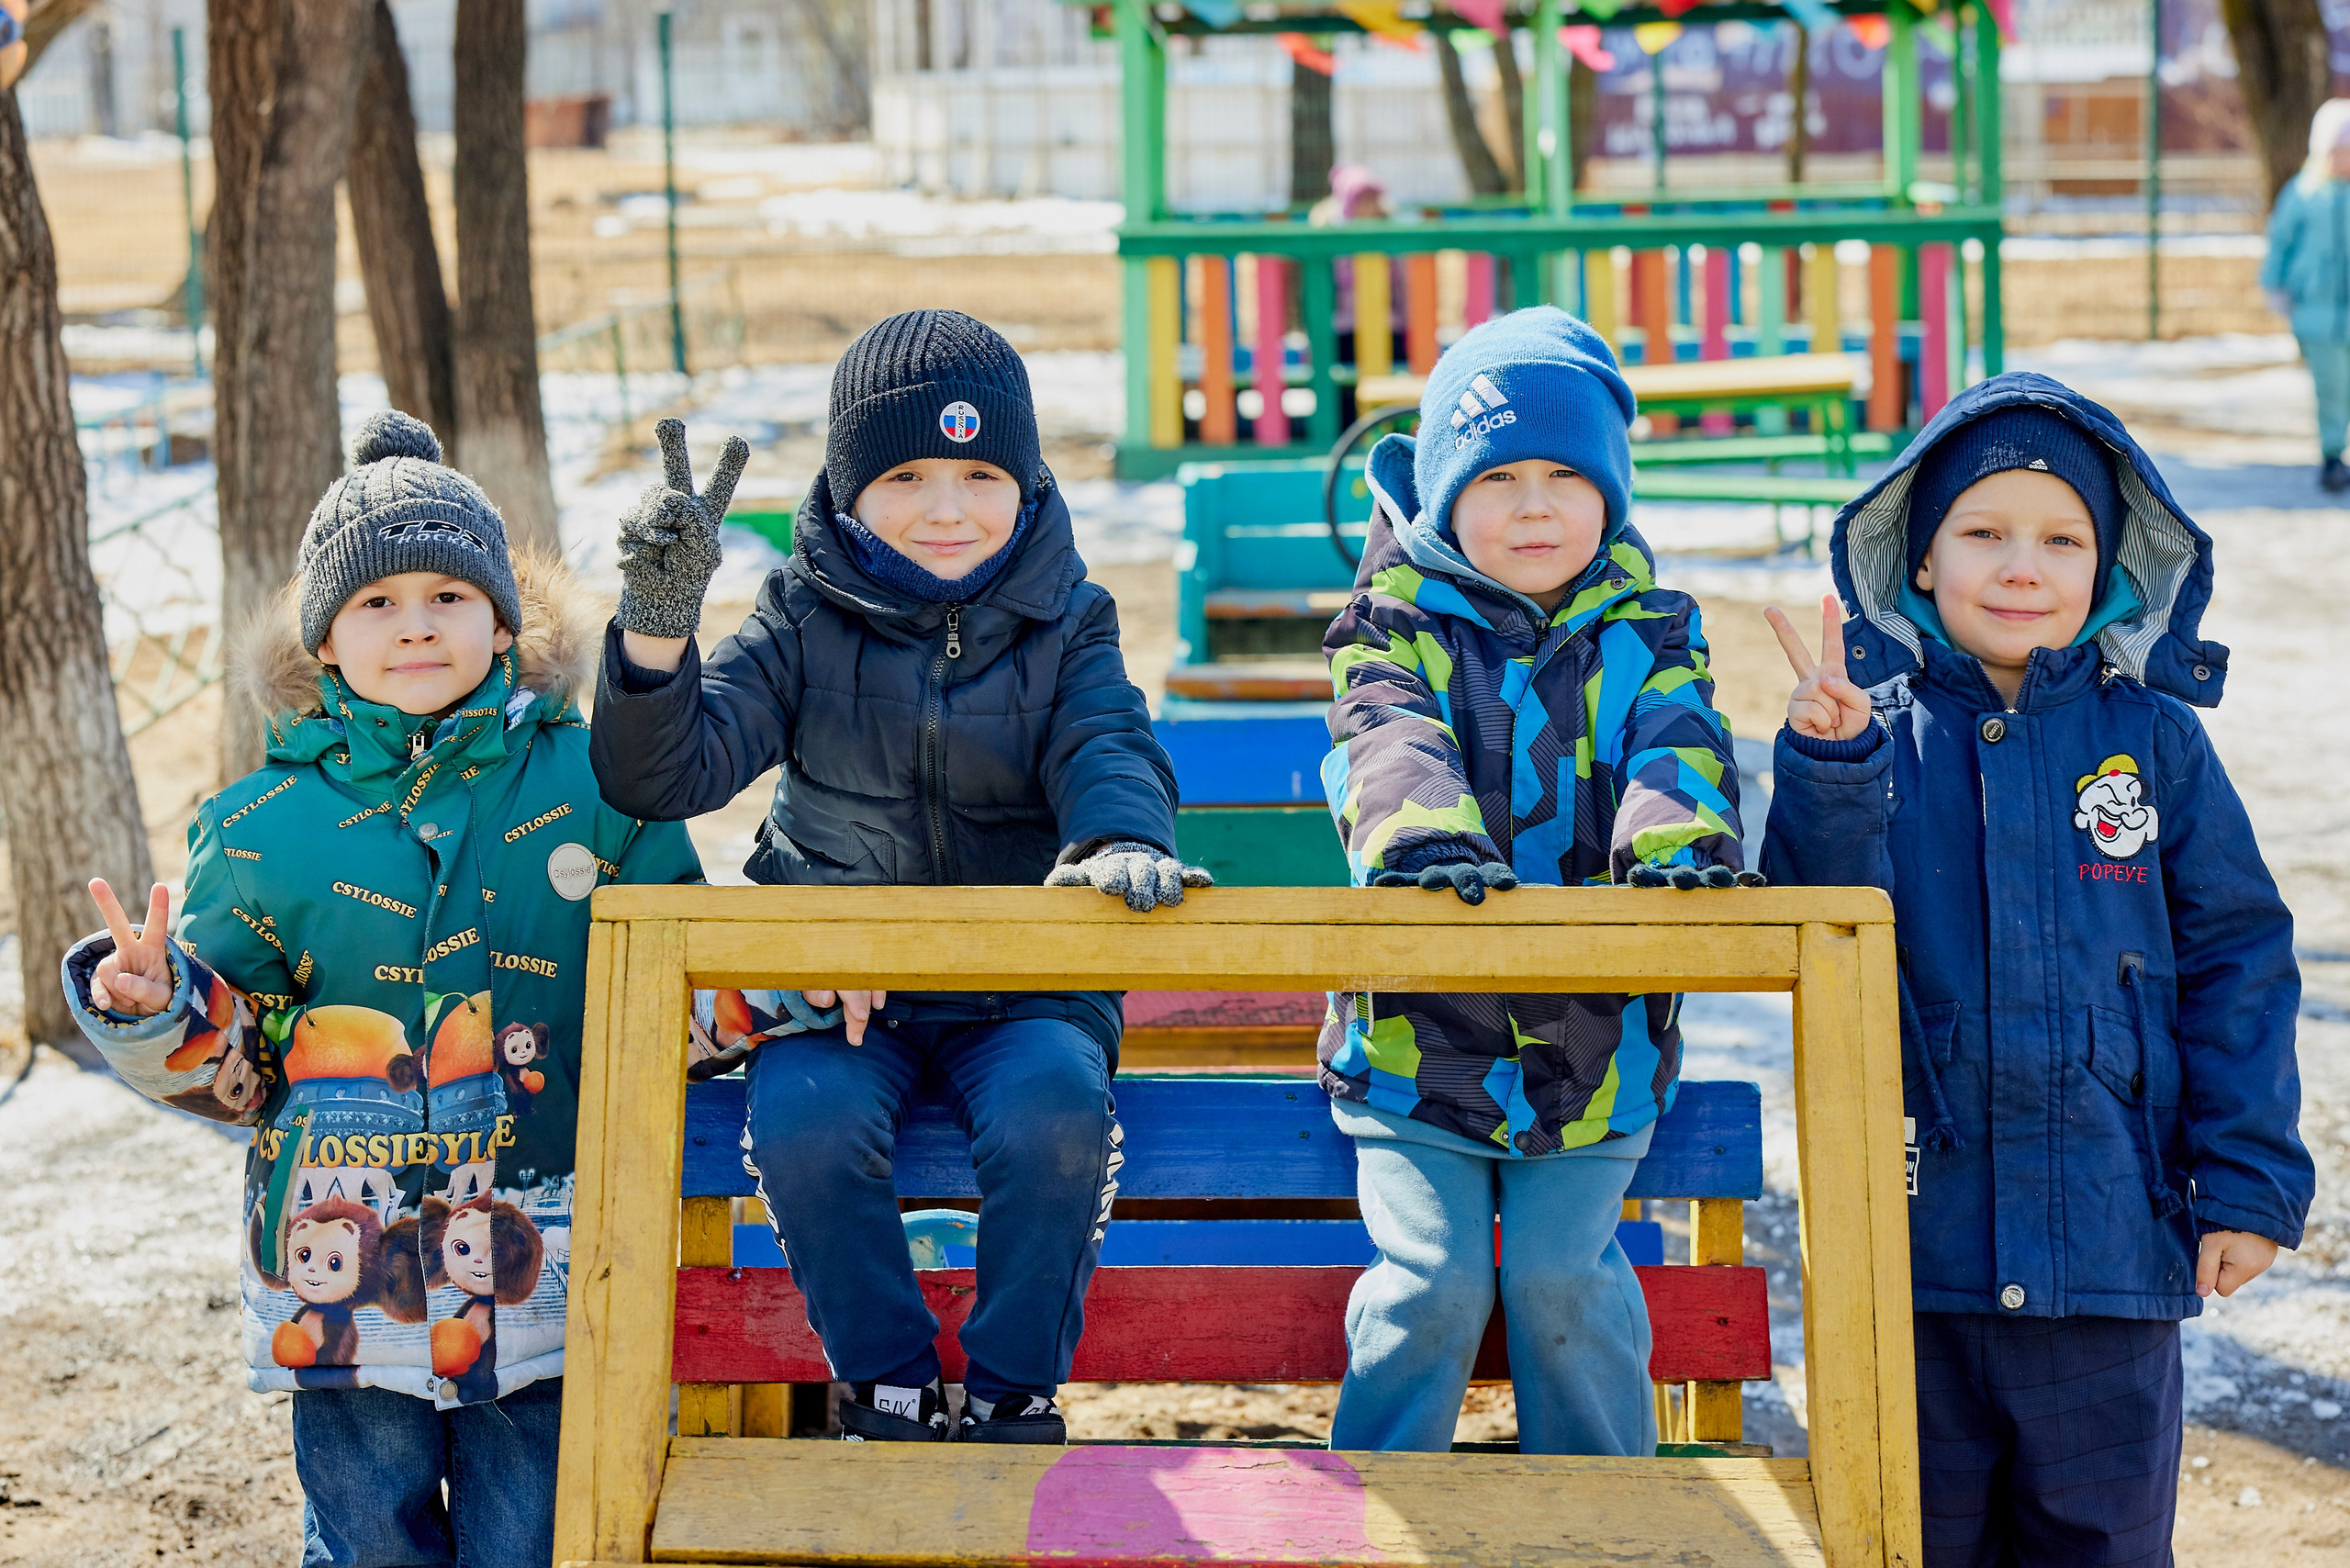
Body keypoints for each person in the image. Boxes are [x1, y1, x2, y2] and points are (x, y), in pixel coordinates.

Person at [61, 412, 705, 1568]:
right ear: (324, 639)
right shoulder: (263, 828)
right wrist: (155, 1000)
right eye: (376, 603)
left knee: (538, 1539)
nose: (415, 625)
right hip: (343, 1281)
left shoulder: (595, 783)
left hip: (550, 1258)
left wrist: (789, 991)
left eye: (449, 598)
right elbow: (238, 1067)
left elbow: (679, 978)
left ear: (503, 618)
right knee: (368, 1540)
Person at [588, 309, 1207, 1444]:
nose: (947, 508)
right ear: (846, 487)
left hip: (1021, 981)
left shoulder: (1067, 619)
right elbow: (670, 771)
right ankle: (882, 1375)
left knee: (1052, 1115)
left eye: (981, 473)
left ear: (1023, 482)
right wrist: (655, 635)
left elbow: (1106, 741)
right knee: (807, 1123)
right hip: (838, 991)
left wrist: (1119, 840)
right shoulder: (802, 617)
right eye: (907, 475)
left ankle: (1014, 1381)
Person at [1761, 375, 2314, 1567]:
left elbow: (2238, 961)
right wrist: (1827, 768)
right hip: (1916, 1260)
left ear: (2110, 571)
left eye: (2062, 538)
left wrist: (2248, 1180)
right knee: (1912, 1542)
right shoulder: (1871, 736)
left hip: (2111, 1255)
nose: (2023, 565)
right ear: (1916, 561)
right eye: (1983, 532)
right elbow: (1809, 924)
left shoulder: (2155, 743)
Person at [1315, 306, 1757, 1454]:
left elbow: (1676, 741)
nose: (1532, 504)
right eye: (1498, 475)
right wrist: (1422, 842)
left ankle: (1605, 1520)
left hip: (1593, 1052)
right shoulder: (1392, 623)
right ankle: (1377, 1512)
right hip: (1419, 1051)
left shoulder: (1648, 632)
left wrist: (1674, 846)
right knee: (1433, 1284)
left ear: (1610, 491)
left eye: (1567, 474)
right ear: (1446, 491)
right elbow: (1385, 738)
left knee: (1565, 1289)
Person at [2261, 96, 2350, 492]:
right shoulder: (2303, 193)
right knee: (2331, 387)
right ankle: (2333, 455)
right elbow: (2280, 242)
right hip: (2317, 313)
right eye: (2336, 150)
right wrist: (2275, 285)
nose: (2343, 159)